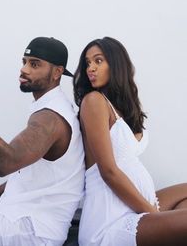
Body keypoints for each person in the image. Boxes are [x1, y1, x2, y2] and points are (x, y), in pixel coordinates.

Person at [0, 36, 85, 246]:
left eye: (34, 64)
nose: (24, 69)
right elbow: (35, 172)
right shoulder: (49, 107)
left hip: (32, 229)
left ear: (57, 72)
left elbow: (6, 162)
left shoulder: (51, 118)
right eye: (24, 62)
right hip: (15, 202)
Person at [73, 36, 187, 246]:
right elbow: (108, 172)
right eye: (87, 63)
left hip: (135, 208)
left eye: (98, 61)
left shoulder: (119, 108)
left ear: (116, 65)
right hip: (111, 220)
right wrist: (154, 215)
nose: (91, 68)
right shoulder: (93, 101)